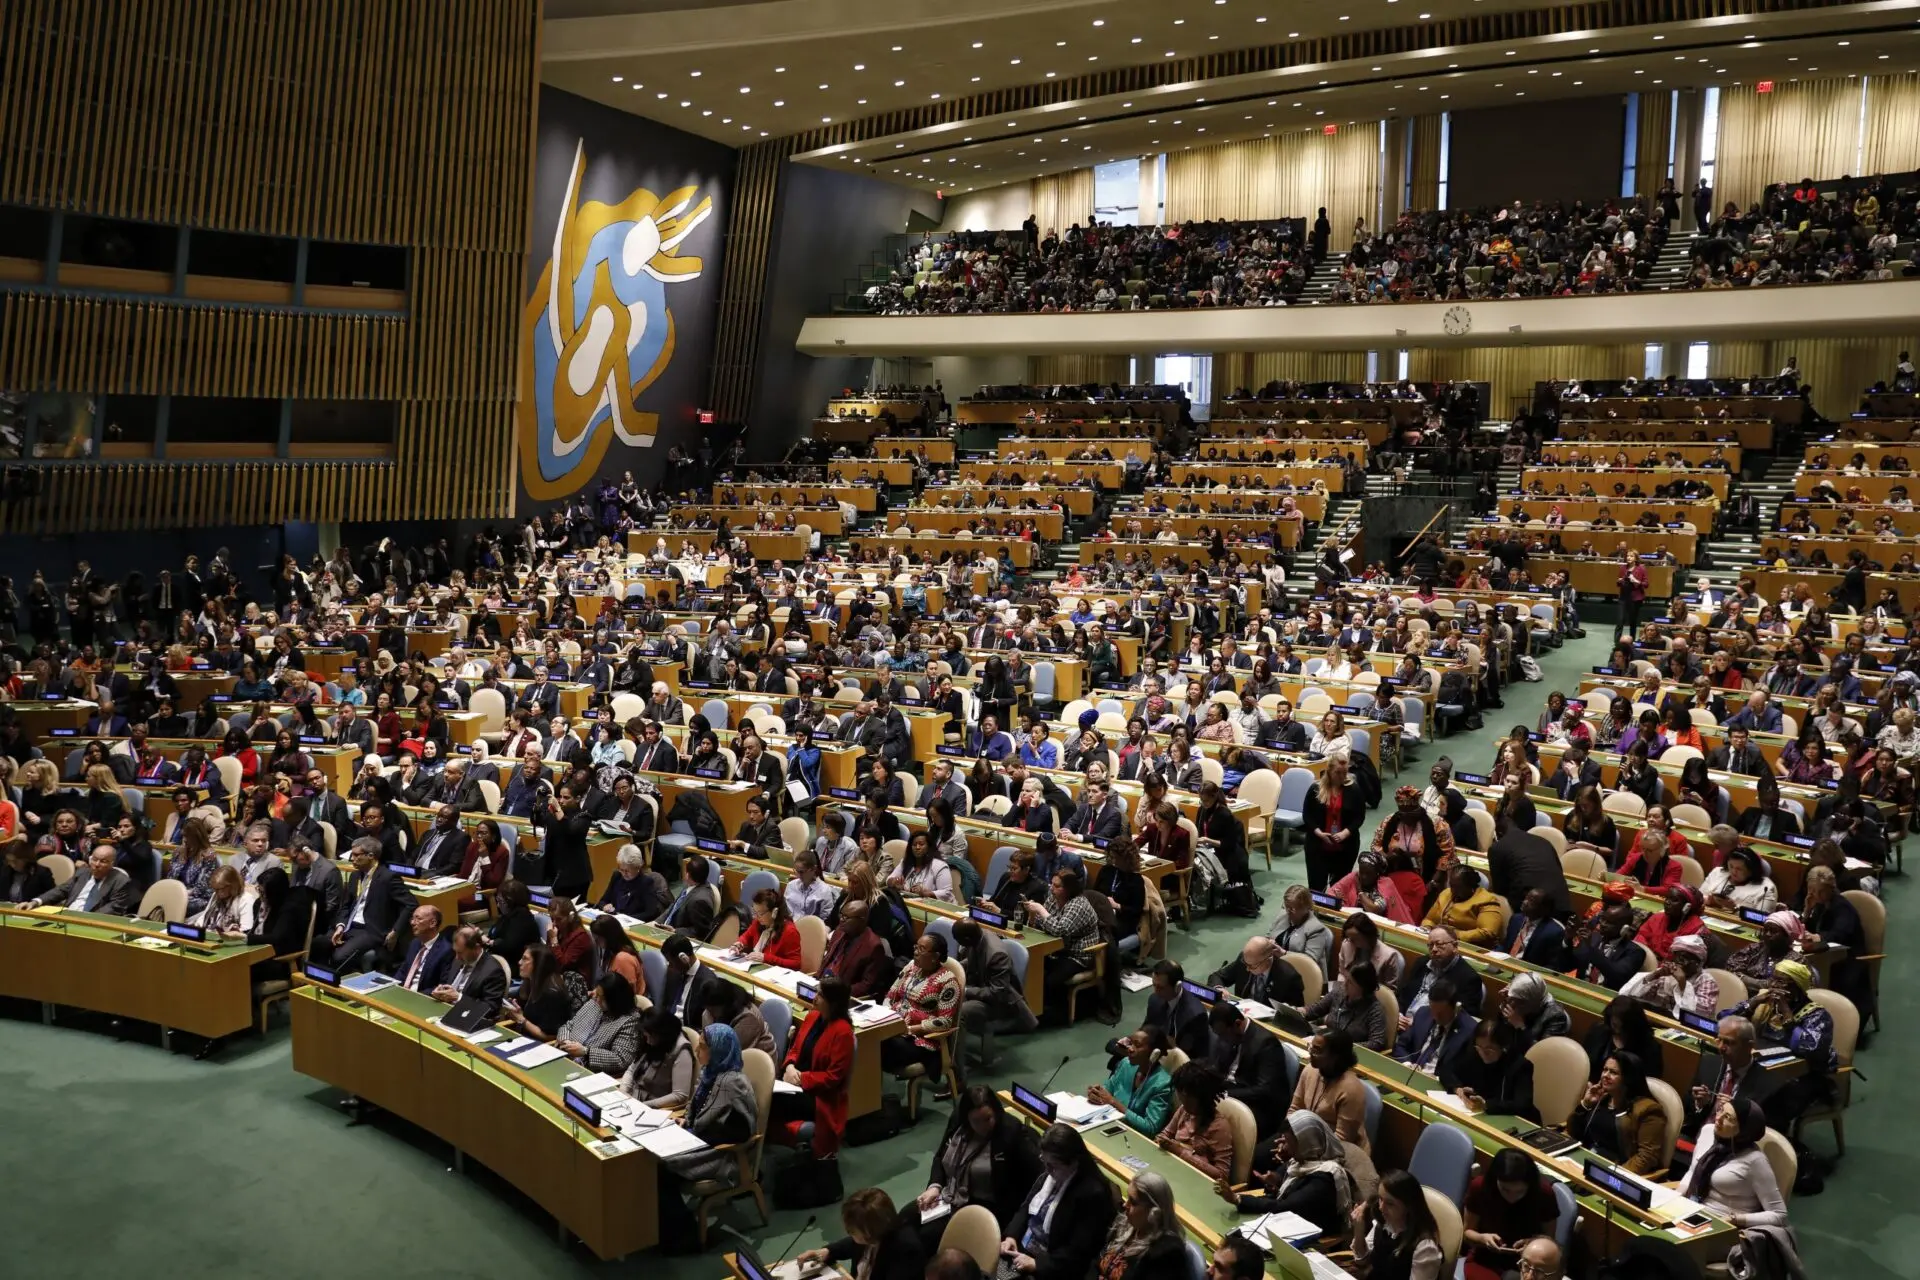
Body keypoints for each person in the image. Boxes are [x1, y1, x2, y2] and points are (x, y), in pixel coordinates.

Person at [656, 1023, 760, 1253]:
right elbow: (699, 1111)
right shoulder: (709, 1073)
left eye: (702, 1047)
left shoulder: (734, 1083)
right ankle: (661, 1229)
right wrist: (686, 1122)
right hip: (700, 1140)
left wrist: (697, 1135)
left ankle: (684, 1235)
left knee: (662, 1167)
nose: (697, 1050)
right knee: (649, 1157)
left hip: (724, 1154)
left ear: (718, 1050)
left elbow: (743, 1131)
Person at [913, 1086, 1042, 1245]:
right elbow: (940, 1156)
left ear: (996, 1113)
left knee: (925, 1238)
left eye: (987, 1119)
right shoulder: (958, 1122)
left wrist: (1013, 1231)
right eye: (976, 1121)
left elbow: (1034, 1185)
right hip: (949, 1195)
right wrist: (934, 1186)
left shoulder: (1012, 1133)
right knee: (905, 1222)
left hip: (987, 1209)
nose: (982, 1126)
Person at [998, 1123, 1115, 1280]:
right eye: (1044, 1161)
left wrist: (1037, 1264)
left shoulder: (1093, 1195)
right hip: (1022, 1251)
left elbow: (1077, 1252)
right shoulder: (1052, 1172)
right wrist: (1011, 1236)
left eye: (1052, 1166)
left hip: (1052, 1268)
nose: (1047, 1170)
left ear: (1074, 1162)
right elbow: (1027, 1207)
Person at [1729, 960, 1837, 1130]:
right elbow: (1726, 1021)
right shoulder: (1766, 1004)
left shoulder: (1817, 1015)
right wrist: (1754, 1002)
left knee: (1772, 1102)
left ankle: (1767, 1136)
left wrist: (1787, 1016)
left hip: (1803, 1074)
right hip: (1765, 1065)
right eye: (1773, 980)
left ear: (1797, 987)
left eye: (1781, 982)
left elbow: (1810, 1049)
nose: (1774, 986)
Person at [1224, 1110, 1369, 1236]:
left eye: (1288, 1142)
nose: (1284, 1147)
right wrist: (1275, 1181)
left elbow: (1284, 1208)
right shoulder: (1301, 1161)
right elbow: (1282, 1187)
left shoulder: (1324, 1178)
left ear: (1305, 1143)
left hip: (1310, 1240)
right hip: (1285, 1224)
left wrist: (1238, 1199)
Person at [772, 975, 855, 1155]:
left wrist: (801, 1078)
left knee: (769, 1103)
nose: (814, 998)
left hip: (819, 1096)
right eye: (816, 992)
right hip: (792, 1082)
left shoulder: (843, 1032)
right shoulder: (812, 1016)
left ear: (833, 1002)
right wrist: (790, 1066)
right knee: (762, 1095)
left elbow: (833, 1077)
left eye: (821, 995)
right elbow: (795, 1048)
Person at [1682, 1097, 1788, 1229]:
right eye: (1720, 1110)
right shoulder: (1708, 1132)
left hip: (1724, 1225)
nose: (1718, 1118)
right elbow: (1692, 1172)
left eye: (1728, 1117)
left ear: (1744, 1129)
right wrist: (1675, 1197)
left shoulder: (1755, 1160)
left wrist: (1735, 1219)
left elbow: (1779, 1215)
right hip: (1691, 1211)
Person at [1459, 1149, 1560, 1280]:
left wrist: (1531, 1245)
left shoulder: (1543, 1193)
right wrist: (1483, 1238)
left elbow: (1549, 1239)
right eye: (1505, 1190)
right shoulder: (1479, 1187)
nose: (1512, 1197)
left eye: (1520, 1191)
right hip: (1485, 1258)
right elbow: (1467, 1232)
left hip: (1529, 1264)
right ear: (1495, 1179)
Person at [954, 918, 1037, 1070]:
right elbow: (972, 959)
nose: (959, 944)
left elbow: (997, 993)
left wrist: (966, 991)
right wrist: (956, 967)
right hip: (982, 989)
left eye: (959, 941)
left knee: (960, 1012)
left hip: (1000, 1003)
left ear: (967, 939)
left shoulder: (997, 954)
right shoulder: (978, 936)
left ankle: (956, 1067)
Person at [1570, 1050, 1667, 1174]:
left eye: (1613, 1072)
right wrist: (1585, 1104)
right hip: (1585, 1160)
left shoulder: (1649, 1110)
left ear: (1628, 1078)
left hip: (1615, 1170)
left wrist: (1612, 1175)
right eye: (1605, 1070)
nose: (1605, 1075)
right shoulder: (1602, 1098)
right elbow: (1573, 1133)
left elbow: (1646, 1157)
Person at [1207, 999, 1294, 1136]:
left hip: (1259, 1106)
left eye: (1223, 1035)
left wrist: (1227, 1095)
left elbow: (1265, 1090)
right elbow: (1218, 1067)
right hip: (1230, 1091)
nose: (1221, 1040)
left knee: (1215, 1127)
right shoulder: (1226, 1034)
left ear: (1237, 1024)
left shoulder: (1266, 1043)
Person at [882, 931, 961, 1076]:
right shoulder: (910, 967)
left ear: (935, 956)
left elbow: (944, 1022)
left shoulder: (948, 982)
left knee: (880, 1046)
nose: (916, 952)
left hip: (920, 1040)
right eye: (916, 947)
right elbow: (891, 995)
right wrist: (885, 1018)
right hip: (894, 1027)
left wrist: (910, 1029)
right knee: (869, 1038)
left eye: (921, 949)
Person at [1349, 1169, 1445, 1280]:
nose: (1381, 1207)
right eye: (1380, 1199)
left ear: (1408, 1206)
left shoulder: (1425, 1248)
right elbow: (1362, 1261)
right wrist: (1359, 1230)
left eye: (1390, 1204)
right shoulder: (1384, 1222)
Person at [1093, 1172, 1188, 1280]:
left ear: (1154, 1213)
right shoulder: (1125, 1224)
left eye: (1133, 1202)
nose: (1125, 1205)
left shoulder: (1167, 1253)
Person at [1439, 1018, 1538, 1120]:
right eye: (1479, 1048)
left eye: (1489, 1050)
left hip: (1513, 1120)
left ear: (1504, 1047)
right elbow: (1446, 1070)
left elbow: (1522, 1105)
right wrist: (1457, 1088)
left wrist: (1486, 1104)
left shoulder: (1520, 1066)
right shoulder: (1475, 1052)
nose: (1482, 1054)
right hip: (1477, 1116)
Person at [1290, 1030, 1370, 1151]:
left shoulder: (1352, 1089)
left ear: (1335, 1056)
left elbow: (1341, 1140)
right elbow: (1294, 1109)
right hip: (1305, 1140)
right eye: (1311, 1047)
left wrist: (1299, 1148)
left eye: (1317, 1050)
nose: (1311, 1052)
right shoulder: (1310, 1070)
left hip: (1337, 1152)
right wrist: (1288, 1137)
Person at [1158, 1060, 1235, 1180]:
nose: (1182, 1098)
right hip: (1173, 1170)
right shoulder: (1184, 1110)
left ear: (1203, 1097)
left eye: (1189, 1096)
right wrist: (1163, 1140)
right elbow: (1165, 1134)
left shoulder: (1219, 1126)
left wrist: (1181, 1152)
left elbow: (1222, 1175)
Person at [1093, 1027, 1177, 1136]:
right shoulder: (1125, 1064)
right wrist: (1096, 1093)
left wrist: (1113, 1102)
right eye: (1131, 1043)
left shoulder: (1162, 1083)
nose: (1130, 1049)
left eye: (1137, 1045)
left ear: (1154, 1052)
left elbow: (1150, 1128)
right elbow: (1107, 1089)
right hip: (1110, 1125)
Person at [501, 943, 589, 1041]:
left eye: (525, 959)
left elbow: (550, 1037)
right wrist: (516, 1012)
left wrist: (521, 1019)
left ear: (539, 964)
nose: (519, 962)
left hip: (544, 1046)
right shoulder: (530, 984)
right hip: (526, 1039)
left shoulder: (552, 994)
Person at [1395, 924, 1484, 1020]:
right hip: (1402, 1021)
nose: (1434, 949)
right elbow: (1404, 995)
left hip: (1431, 1027)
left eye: (1439, 944)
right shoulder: (1422, 963)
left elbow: (1463, 1019)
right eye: (1430, 945)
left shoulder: (1469, 978)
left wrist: (1420, 1024)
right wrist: (1398, 1015)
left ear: (1455, 946)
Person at [1620, 933, 1718, 1019]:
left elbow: (1699, 1017)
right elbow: (1628, 996)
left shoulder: (1706, 981)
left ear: (1699, 963)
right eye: (1678, 957)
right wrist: (1653, 976)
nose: (1680, 963)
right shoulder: (1664, 974)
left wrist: (1683, 983)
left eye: (1686, 959)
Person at [1299, 959, 1390, 1052]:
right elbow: (1314, 1011)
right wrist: (1297, 1011)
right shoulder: (1339, 993)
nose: (1345, 984)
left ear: (1362, 987)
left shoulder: (1375, 1010)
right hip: (1326, 1049)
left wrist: (1345, 1047)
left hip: (1350, 1055)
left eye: (1350, 982)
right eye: (1346, 978)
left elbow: (1377, 1043)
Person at [1301, 755, 1363, 890]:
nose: (1342, 777)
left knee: (1339, 889)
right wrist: (1319, 833)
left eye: (1345, 773)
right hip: (1317, 847)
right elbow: (1307, 816)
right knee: (1317, 888)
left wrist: (1345, 833)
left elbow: (1359, 817)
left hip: (1345, 848)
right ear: (1329, 771)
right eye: (1338, 773)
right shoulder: (1315, 789)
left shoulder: (1354, 789)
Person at [1394, 978, 1477, 1072]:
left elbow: (1463, 1071)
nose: (1435, 1017)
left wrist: (1437, 1077)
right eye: (1432, 1010)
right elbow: (1400, 1046)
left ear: (1456, 1007)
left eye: (1441, 1013)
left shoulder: (1469, 1031)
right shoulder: (1423, 1013)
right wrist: (1407, 1064)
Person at [29, 843, 139, 915]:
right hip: (66, 916)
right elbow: (62, 890)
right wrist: (36, 902)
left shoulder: (121, 881)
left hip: (92, 922)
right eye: (94, 859)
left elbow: (114, 908)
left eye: (103, 861)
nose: (97, 864)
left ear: (112, 864)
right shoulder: (83, 872)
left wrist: (83, 918)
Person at [622, 1007, 697, 1109]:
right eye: (646, 1036)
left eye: (650, 1037)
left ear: (662, 1033)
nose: (648, 1041)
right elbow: (632, 1070)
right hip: (634, 1098)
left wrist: (644, 1105)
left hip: (655, 1106)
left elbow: (680, 1095)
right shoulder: (651, 1039)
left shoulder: (682, 1050)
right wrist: (623, 1093)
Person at [821, 897, 895, 997]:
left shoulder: (873, 946)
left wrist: (839, 993)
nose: (841, 920)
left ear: (862, 920)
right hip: (822, 985)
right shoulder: (839, 931)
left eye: (846, 917)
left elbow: (866, 985)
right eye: (841, 915)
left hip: (842, 996)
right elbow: (826, 961)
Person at [1583, 995, 1665, 1083]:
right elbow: (1585, 1063)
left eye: (1622, 1023)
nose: (1616, 1023)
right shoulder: (1598, 1031)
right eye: (1614, 1022)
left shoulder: (1650, 1048)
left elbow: (1647, 1083)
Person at [1208, 936, 1305, 1008]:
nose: (1247, 969)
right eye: (1245, 963)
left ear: (1268, 959)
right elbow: (1217, 976)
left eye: (1252, 966)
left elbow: (1294, 1014)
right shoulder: (1246, 960)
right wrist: (1219, 988)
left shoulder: (1289, 977)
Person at [1422, 865, 1504, 946]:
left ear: (1470, 886)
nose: (1453, 891)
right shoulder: (1446, 893)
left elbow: (1488, 932)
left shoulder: (1487, 900)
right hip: (1439, 942)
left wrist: (1454, 935)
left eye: (1459, 887)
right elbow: (1430, 919)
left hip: (1469, 945)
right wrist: (1427, 927)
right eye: (1452, 885)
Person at [1270, 884, 1336, 977]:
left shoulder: (1316, 928)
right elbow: (1269, 935)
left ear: (1307, 908)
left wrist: (1284, 953)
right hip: (1281, 970)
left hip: (1304, 976)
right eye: (1286, 906)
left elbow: (1310, 961)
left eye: (1292, 909)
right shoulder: (1283, 915)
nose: (1288, 911)